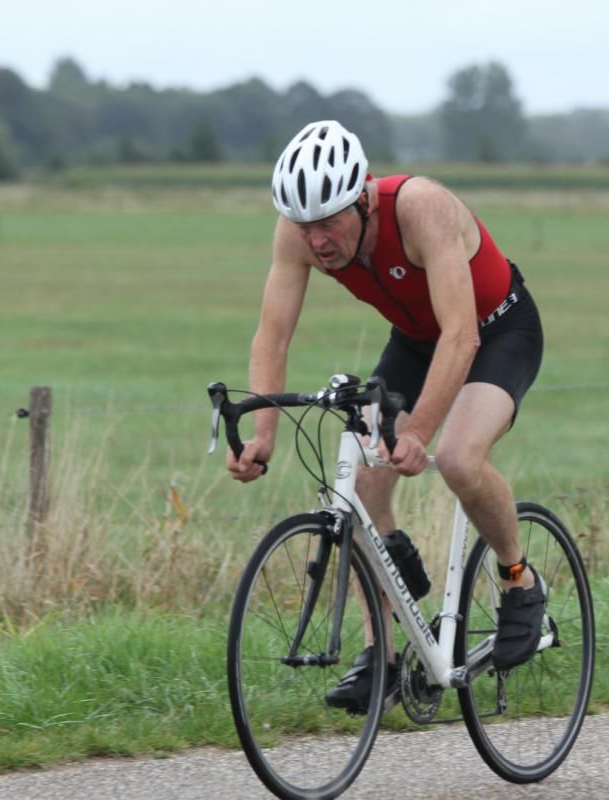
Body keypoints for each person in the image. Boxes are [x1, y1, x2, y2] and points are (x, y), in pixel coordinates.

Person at [228, 119, 545, 711]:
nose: (317, 240)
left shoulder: (420, 209)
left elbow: (462, 336)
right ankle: (385, 655)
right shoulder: (297, 233)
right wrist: (262, 431)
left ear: (365, 199)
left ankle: (518, 579)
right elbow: (272, 337)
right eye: (305, 226)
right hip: (415, 342)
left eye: (329, 223)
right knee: (361, 480)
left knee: (458, 458)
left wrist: (419, 430)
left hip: (499, 330)